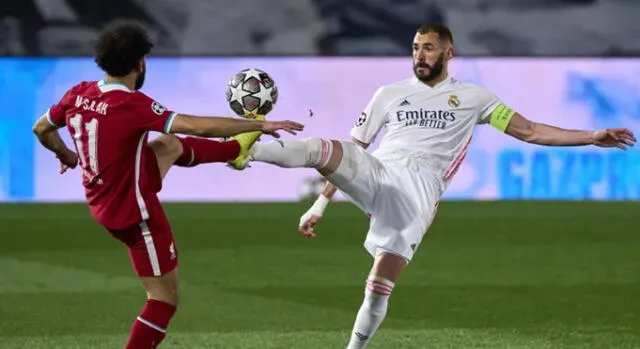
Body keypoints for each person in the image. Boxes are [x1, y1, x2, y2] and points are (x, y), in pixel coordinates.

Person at [227, 23, 636, 348]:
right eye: (415, 48)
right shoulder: (389, 94)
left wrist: (590, 135)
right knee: (327, 147)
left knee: (377, 287)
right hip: (378, 172)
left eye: (427, 48)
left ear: (448, 53)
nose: (419, 55)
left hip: (417, 193)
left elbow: (529, 131)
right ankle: (247, 150)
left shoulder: (475, 98)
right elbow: (354, 149)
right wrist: (319, 205)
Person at [31, 20, 303, 349]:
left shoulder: (78, 93)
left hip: (103, 193)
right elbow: (195, 126)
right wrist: (258, 123)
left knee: (168, 145)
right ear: (140, 63)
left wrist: (68, 155)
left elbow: (41, 128)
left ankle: (234, 151)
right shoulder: (133, 105)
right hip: (133, 213)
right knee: (163, 301)